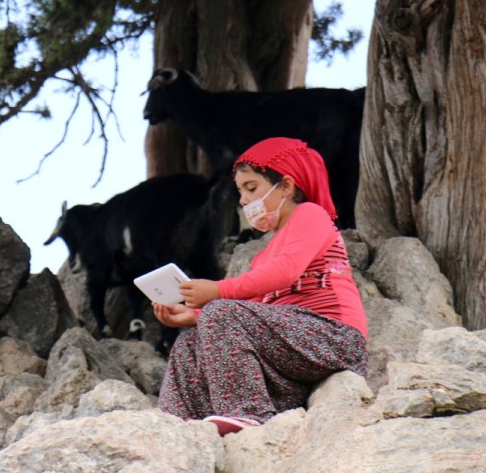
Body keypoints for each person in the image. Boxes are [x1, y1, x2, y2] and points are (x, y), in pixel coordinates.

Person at [154, 136, 369, 436]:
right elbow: (252, 315)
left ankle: (248, 413)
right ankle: (176, 427)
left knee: (222, 311)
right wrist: (194, 317)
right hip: (292, 357)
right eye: (240, 191)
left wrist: (216, 291)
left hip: (333, 339)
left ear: (286, 186)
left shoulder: (310, 215)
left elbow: (284, 272)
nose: (243, 201)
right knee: (190, 340)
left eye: (251, 188)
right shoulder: (263, 254)